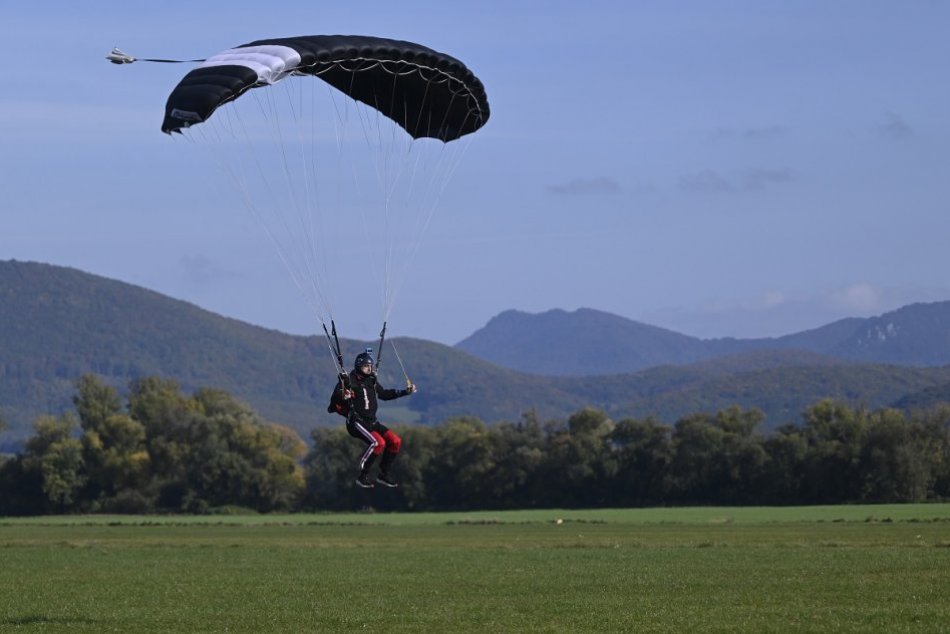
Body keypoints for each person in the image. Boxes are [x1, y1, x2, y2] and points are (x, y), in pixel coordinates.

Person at [330, 350, 416, 488]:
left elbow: (384, 394)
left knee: (395, 441)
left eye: (371, 366)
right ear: (359, 366)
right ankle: (363, 475)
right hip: (356, 422)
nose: (370, 369)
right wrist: (344, 395)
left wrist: (405, 392)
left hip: (372, 422)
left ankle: (384, 473)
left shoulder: (371, 381)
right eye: (366, 366)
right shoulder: (348, 380)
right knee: (378, 443)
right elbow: (335, 398)